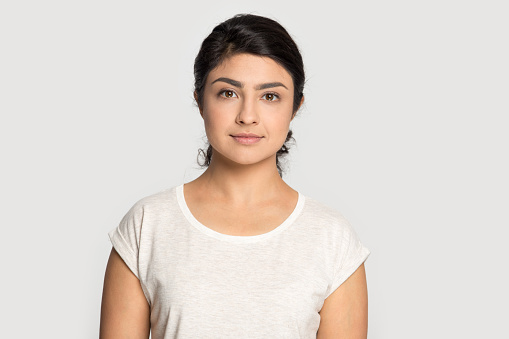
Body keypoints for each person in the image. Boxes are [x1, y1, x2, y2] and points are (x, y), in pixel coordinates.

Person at [100, 13, 370, 339]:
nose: (248, 116)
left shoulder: (332, 239)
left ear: (295, 106)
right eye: (229, 93)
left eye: (270, 96)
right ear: (199, 100)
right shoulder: (147, 225)